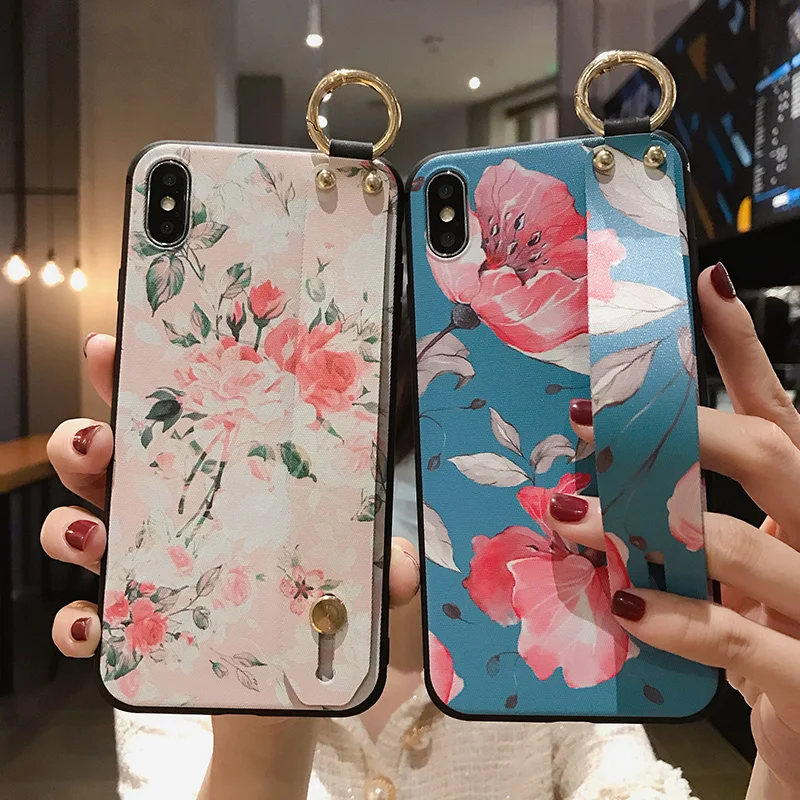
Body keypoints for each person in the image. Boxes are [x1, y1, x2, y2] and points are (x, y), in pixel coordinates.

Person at [42, 263, 800, 799]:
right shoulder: (189, 667)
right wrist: (264, 714)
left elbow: (628, 784)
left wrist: (788, 763)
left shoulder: (544, 635)